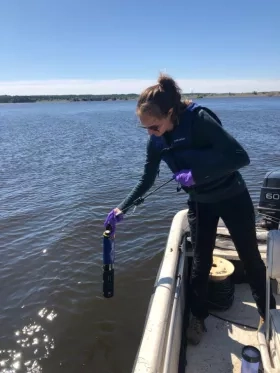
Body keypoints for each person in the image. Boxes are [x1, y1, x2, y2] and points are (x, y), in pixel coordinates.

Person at [104, 74, 276, 345]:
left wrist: (197, 173)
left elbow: (240, 157)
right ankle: (198, 317)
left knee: (251, 257)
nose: (151, 133)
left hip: (233, 196)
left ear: (170, 112)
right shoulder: (157, 140)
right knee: (200, 263)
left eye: (155, 126)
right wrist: (121, 209)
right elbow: (147, 179)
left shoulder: (200, 120)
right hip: (200, 203)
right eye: (146, 129)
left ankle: (268, 312)